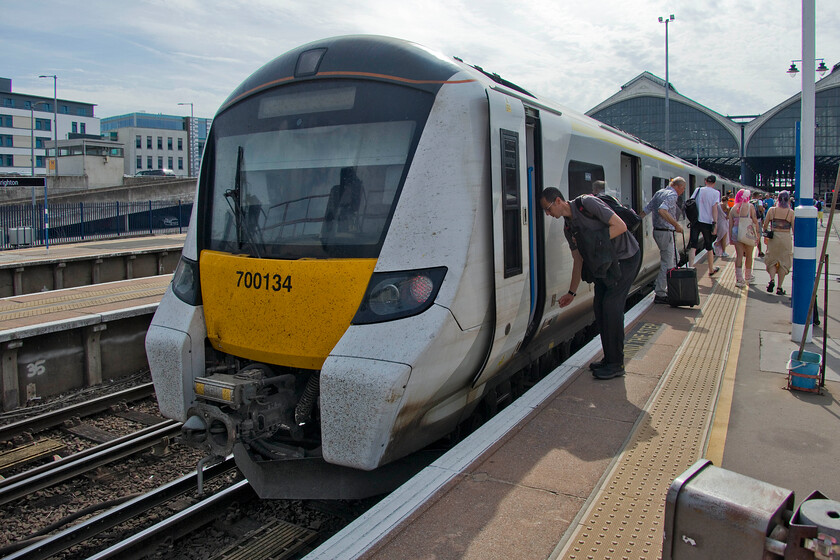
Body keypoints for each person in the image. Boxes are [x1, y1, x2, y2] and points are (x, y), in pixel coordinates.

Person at [541, 187, 641, 380]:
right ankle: (609, 358)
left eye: (548, 208)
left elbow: (620, 226)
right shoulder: (568, 228)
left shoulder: (586, 203)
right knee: (600, 307)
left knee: (612, 307)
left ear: (559, 201)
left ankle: (617, 364)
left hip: (626, 258)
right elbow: (578, 261)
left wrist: (592, 243)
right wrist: (571, 292)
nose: (548, 213)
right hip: (605, 265)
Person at [640, 176, 685, 304]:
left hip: (658, 232)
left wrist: (636, 221)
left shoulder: (659, 192)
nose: (682, 191)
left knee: (675, 257)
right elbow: (662, 210)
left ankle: (665, 285)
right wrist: (676, 225)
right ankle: (660, 292)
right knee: (668, 262)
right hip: (666, 232)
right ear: (677, 186)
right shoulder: (672, 195)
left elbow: (647, 209)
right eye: (683, 188)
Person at [687, 175, 722, 278]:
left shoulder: (698, 190)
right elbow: (714, 208)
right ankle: (711, 269)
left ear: (705, 181)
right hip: (707, 222)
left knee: (693, 246)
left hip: (696, 221)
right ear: (714, 183)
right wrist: (715, 224)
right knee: (709, 246)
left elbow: (691, 202)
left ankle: (690, 269)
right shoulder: (716, 193)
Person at [763, 190, 795, 295]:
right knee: (784, 263)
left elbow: (765, 225)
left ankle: (772, 280)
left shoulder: (772, 210)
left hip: (774, 238)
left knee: (771, 260)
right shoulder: (791, 213)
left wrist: (766, 234)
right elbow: (794, 229)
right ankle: (779, 287)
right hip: (786, 238)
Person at [729, 189, 760, 288]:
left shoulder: (733, 208)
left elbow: (730, 225)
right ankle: (748, 275)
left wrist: (730, 238)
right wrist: (758, 234)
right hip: (748, 233)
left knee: (739, 256)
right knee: (749, 255)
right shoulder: (750, 206)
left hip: (736, 233)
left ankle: (739, 279)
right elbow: (755, 220)